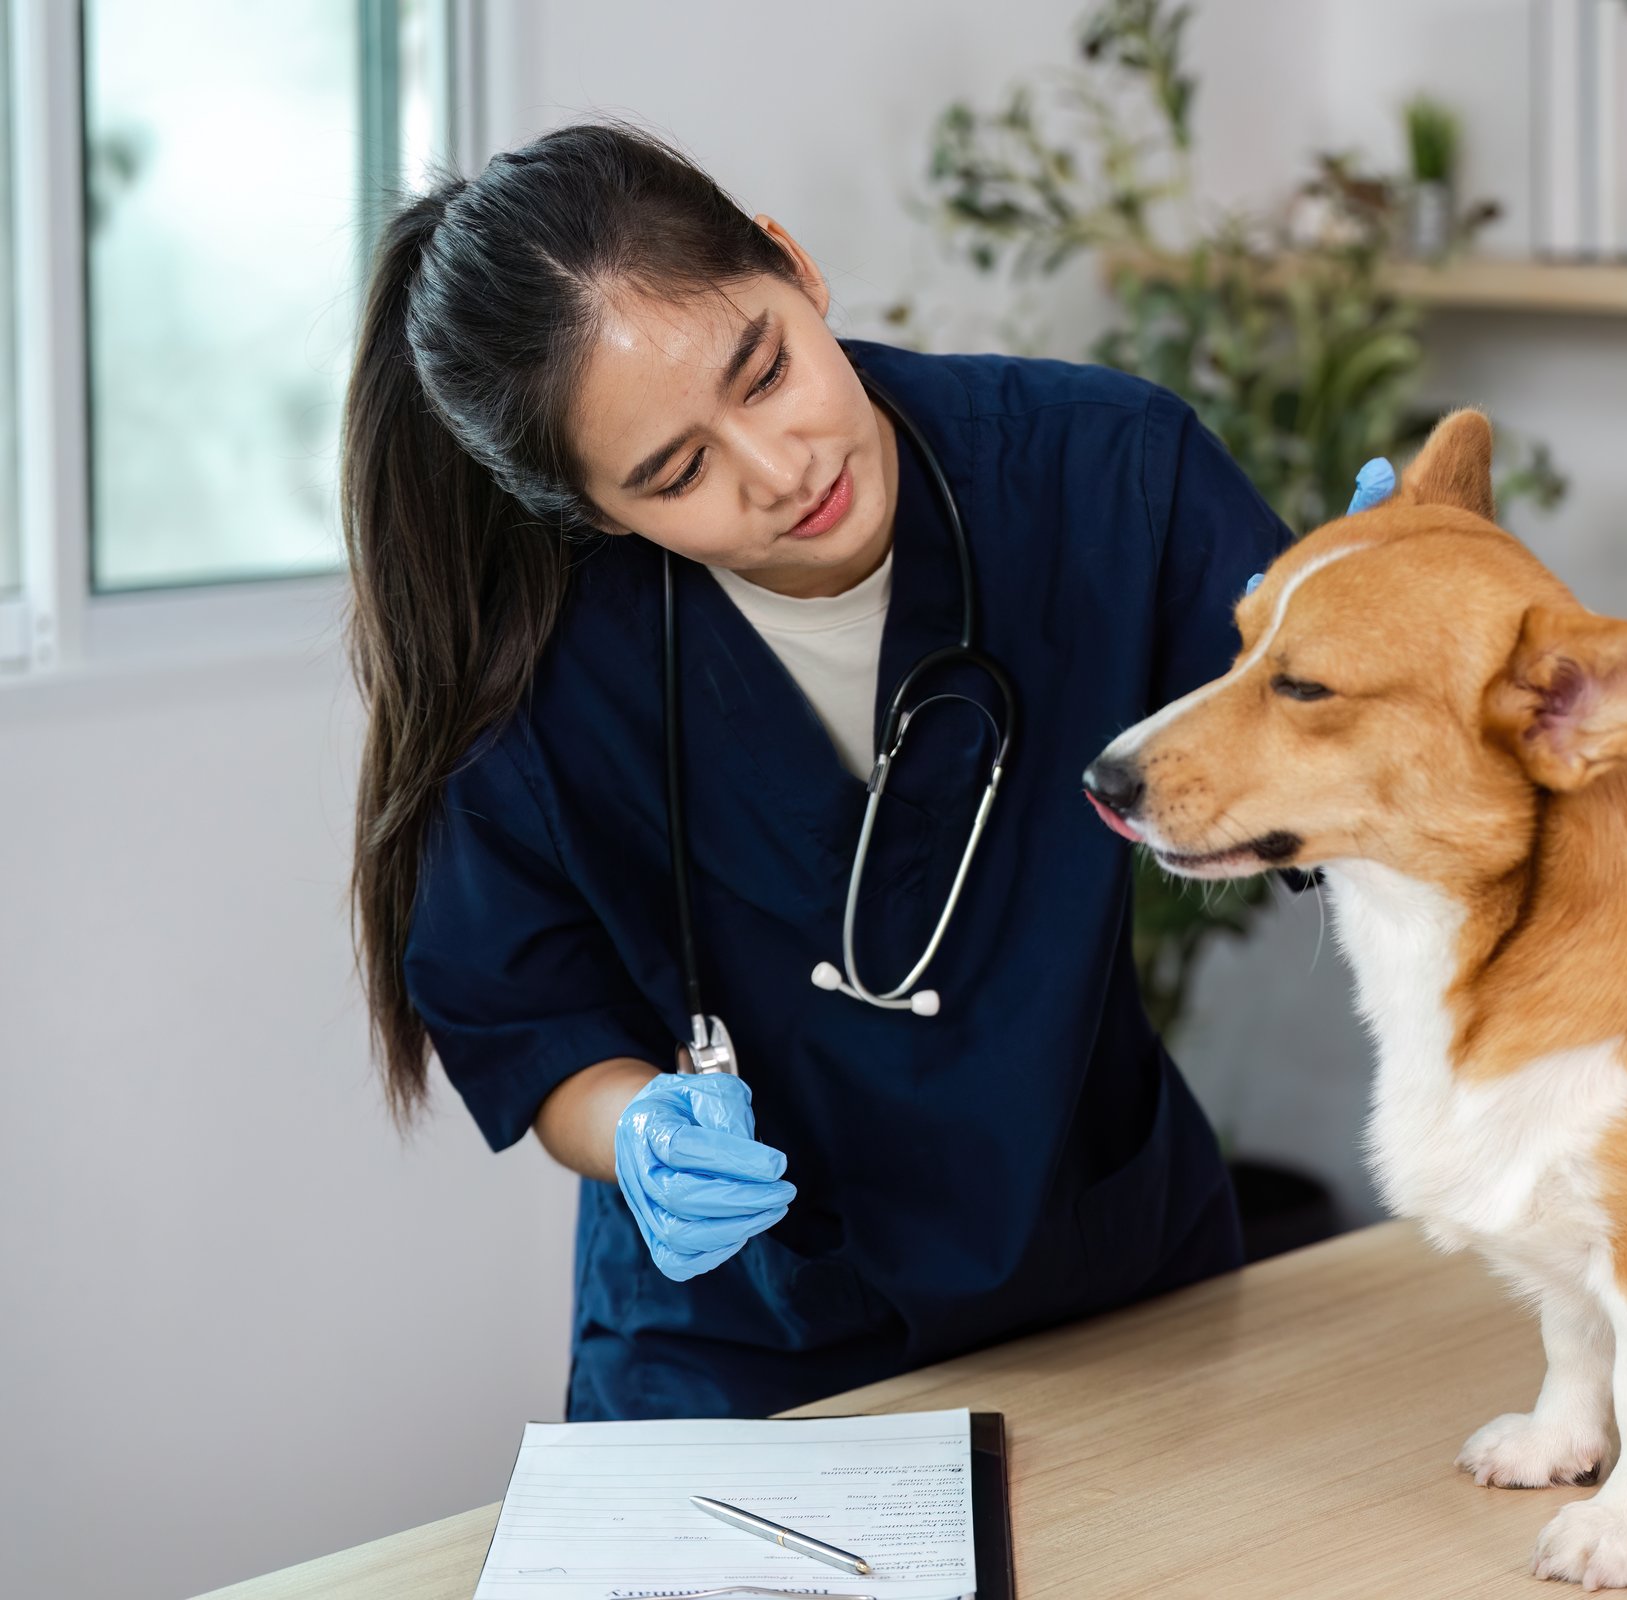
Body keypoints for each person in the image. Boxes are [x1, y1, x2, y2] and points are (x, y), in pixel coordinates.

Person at [340, 120, 1297, 1421]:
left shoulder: (1104, 472)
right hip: (744, 1348)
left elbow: (1324, 773)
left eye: (767, 369)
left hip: (1111, 1295)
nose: (781, 471)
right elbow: (529, 1015)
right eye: (677, 474)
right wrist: (638, 1130)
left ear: (793, 267)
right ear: (591, 511)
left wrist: (1384, 637)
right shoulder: (538, 668)